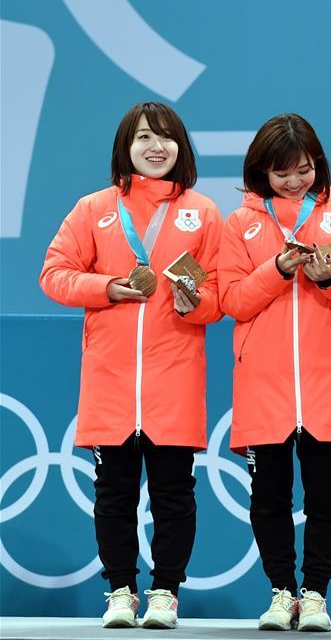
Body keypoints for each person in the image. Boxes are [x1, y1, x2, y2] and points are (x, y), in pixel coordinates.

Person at [40, 101, 223, 629]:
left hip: (175, 376)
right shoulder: (93, 208)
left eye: (165, 137)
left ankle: (165, 592)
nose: (155, 147)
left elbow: (219, 293)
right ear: (126, 146)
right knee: (113, 493)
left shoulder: (203, 212)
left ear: (181, 147)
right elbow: (54, 273)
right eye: (144, 137)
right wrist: (107, 287)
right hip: (111, 380)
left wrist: (196, 303)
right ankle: (120, 590)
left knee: (174, 494)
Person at [218, 113, 331, 632]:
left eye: (303, 170)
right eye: (282, 172)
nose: (293, 181)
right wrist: (277, 269)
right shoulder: (239, 223)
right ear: (261, 170)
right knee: (269, 496)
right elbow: (232, 300)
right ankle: (280, 591)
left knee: (327, 494)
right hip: (263, 382)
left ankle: (315, 595)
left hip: (326, 379)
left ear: (318, 165)